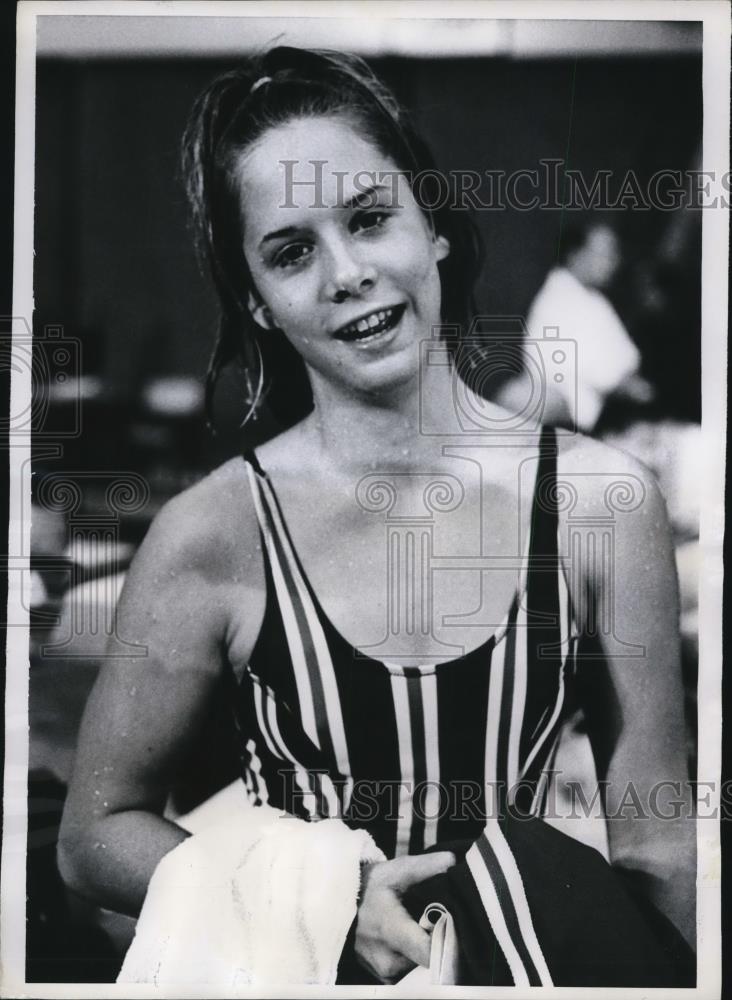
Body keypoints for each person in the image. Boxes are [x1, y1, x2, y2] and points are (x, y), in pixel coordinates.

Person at [58, 47, 695, 986]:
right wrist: (328, 899)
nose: (347, 272)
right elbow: (93, 835)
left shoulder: (601, 503)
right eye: (290, 251)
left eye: (369, 218)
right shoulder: (213, 532)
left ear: (432, 226)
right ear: (257, 304)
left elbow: (659, 845)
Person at [496, 219, 654, 433]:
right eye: (603, 254)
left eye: (613, 255)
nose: (612, 263)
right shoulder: (558, 295)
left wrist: (626, 380)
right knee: (520, 398)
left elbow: (627, 357)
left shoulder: (597, 302)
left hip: (597, 410)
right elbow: (576, 363)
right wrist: (620, 381)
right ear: (575, 253)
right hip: (562, 400)